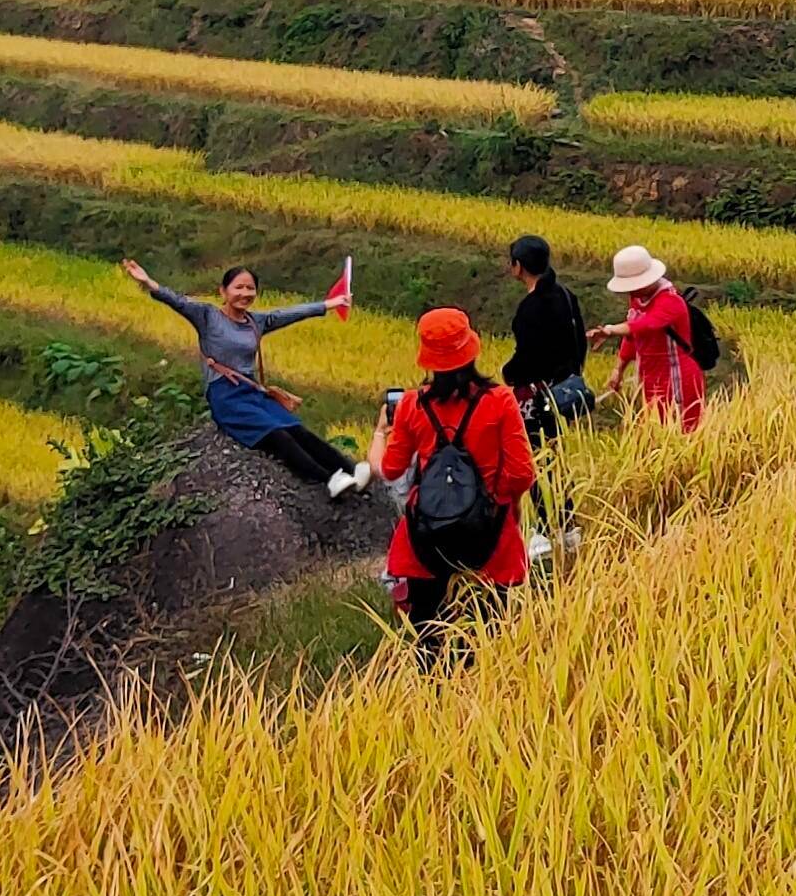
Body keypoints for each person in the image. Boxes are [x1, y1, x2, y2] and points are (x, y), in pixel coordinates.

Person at [121, 259, 367, 497]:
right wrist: (148, 282)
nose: (245, 293)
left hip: (252, 393)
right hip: (225, 396)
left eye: (250, 288)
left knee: (296, 429)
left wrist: (331, 303)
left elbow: (290, 313)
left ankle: (350, 469)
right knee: (276, 434)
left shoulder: (255, 322)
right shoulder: (207, 316)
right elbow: (177, 301)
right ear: (224, 291)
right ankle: (329, 480)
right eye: (239, 287)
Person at [374, 308, 534, 670]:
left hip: (427, 533)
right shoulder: (500, 400)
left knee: (426, 633)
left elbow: (391, 468)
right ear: (472, 350)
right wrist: (503, 504)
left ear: (428, 358)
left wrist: (380, 431)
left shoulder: (412, 405)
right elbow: (522, 473)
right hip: (489, 529)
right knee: (490, 632)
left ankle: (433, 697)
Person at [591, 245, 706, 432]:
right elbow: (632, 336)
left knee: (679, 431)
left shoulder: (670, 301)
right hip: (650, 375)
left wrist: (609, 330)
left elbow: (644, 325)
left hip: (676, 376)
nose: (630, 291)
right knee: (653, 430)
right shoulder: (637, 298)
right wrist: (618, 370)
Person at [500, 235, 591, 442]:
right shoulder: (565, 294)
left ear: (518, 266)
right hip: (564, 392)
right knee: (556, 447)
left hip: (538, 397)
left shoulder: (530, 308)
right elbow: (579, 340)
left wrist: (508, 373)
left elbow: (528, 356)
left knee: (533, 450)